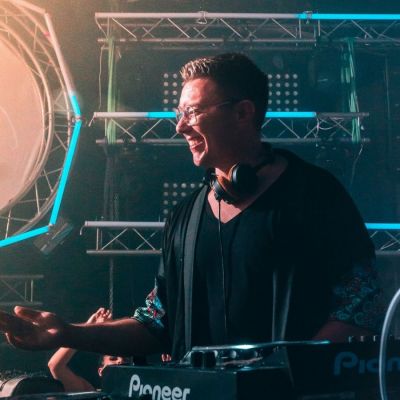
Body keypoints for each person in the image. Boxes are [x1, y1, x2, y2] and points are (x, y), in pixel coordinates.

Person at [0, 53, 383, 362]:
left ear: (243, 113)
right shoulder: (186, 216)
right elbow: (156, 324)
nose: (180, 127)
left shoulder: (314, 194)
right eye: (178, 115)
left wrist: (288, 374)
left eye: (193, 112)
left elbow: (360, 304)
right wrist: (67, 333)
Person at [47, 308, 127, 392]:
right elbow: (55, 366)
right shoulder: (90, 392)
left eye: (126, 359)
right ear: (101, 371)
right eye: (113, 358)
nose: (120, 361)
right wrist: (88, 327)